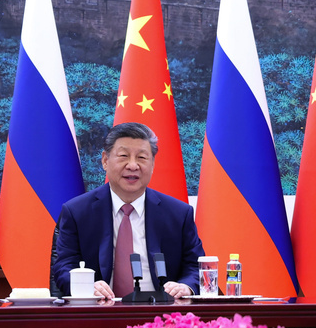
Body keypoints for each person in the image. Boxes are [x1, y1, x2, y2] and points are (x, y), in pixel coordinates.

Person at [52, 122, 204, 299]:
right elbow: (63, 267)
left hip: (161, 315)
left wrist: (186, 286)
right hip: (98, 313)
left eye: (141, 158)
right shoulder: (77, 212)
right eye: (123, 156)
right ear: (105, 160)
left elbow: (195, 266)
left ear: (153, 164)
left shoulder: (178, 213)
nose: (133, 165)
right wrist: (86, 286)